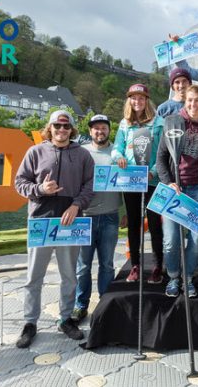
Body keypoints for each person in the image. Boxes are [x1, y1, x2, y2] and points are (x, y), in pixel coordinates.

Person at [14, 110, 94, 348]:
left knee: (69, 275)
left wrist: (76, 204)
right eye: (57, 126)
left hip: (70, 221)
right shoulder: (35, 152)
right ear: (49, 128)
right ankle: (30, 323)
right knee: (33, 276)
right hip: (41, 219)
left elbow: (90, 185)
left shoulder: (83, 155)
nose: (62, 130)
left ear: (72, 130)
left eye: (66, 127)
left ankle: (66, 318)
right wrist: (40, 189)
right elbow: (20, 182)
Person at [156, 84, 198, 298]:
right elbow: (161, 158)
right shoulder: (173, 122)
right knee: (171, 240)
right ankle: (174, 276)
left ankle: (188, 278)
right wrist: (168, 182)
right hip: (175, 190)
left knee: (197, 240)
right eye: (189, 100)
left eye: (197, 100)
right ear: (185, 102)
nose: (193, 104)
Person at [112, 84, 165, 284]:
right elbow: (117, 148)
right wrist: (118, 158)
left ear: (147, 100)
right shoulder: (125, 124)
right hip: (131, 179)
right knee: (134, 223)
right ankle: (135, 265)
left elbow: (162, 151)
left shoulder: (158, 122)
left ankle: (158, 265)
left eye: (141, 98)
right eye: (133, 98)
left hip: (152, 180)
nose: (137, 102)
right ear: (129, 100)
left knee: (154, 224)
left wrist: (153, 171)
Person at [71, 115, 122, 323]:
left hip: (110, 215)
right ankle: (80, 304)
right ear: (90, 131)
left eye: (103, 128)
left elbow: (125, 183)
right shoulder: (80, 151)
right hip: (85, 217)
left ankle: (105, 304)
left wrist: (125, 211)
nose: (99, 131)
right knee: (83, 266)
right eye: (95, 128)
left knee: (107, 264)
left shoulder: (118, 152)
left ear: (109, 130)